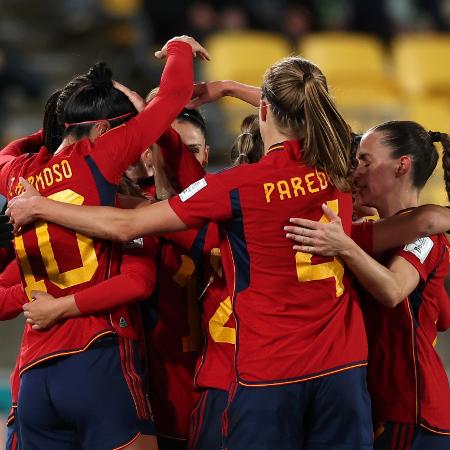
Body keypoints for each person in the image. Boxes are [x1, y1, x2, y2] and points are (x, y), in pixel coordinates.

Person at [7, 56, 374, 449]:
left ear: (265, 109)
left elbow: (127, 229)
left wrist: (42, 205)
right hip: (342, 366)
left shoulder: (236, 187)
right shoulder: (336, 162)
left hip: (266, 370)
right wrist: (231, 89)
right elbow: (321, 116)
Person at [0, 35, 208, 450]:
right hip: (97, 354)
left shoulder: (17, 176)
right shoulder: (100, 156)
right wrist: (180, 49)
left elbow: (7, 152)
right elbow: (174, 96)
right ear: (102, 129)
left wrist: (57, 128)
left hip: (36, 369)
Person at [285, 121, 450, 449]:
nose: (355, 171)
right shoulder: (374, 233)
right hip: (380, 404)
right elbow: (442, 317)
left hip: (408, 407)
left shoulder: (426, 235)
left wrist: (344, 246)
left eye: (365, 161)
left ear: (402, 166)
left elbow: (391, 291)